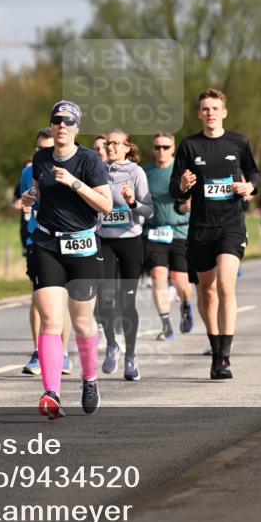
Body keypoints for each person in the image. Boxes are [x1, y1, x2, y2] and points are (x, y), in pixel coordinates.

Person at [20, 100, 112, 418]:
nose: (61, 126)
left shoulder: (90, 160)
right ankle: (52, 392)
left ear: (77, 128)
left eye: (68, 122)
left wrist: (75, 183)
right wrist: (31, 196)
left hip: (83, 249)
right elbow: (38, 189)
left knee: (83, 322)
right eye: (57, 120)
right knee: (51, 320)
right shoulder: (41, 158)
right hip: (47, 245)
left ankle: (89, 380)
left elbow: (106, 204)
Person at [169, 88, 260, 379]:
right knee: (206, 292)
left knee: (225, 285)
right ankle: (214, 345)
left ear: (224, 112)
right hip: (200, 229)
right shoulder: (189, 146)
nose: (210, 113)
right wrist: (183, 185)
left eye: (215, 108)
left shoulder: (238, 142)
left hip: (231, 226)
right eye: (205, 109)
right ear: (199, 113)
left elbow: (254, 174)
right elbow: (175, 188)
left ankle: (225, 358)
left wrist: (250, 187)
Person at [98, 130, 154, 380]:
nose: (110, 147)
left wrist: (132, 204)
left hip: (130, 241)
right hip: (105, 241)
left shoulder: (135, 173)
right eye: (108, 143)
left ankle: (131, 356)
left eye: (115, 143)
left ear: (127, 147)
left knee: (127, 302)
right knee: (105, 300)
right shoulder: (97, 171)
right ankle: (112, 344)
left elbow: (149, 210)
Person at [17, 129, 73, 377]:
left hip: (66, 239)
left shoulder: (69, 168)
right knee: (37, 298)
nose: (43, 153)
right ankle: (39, 351)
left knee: (63, 300)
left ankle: (63, 352)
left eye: (47, 148)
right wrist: (27, 200)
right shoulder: (28, 172)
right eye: (39, 148)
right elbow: (27, 203)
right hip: (37, 239)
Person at [144, 131, 193, 341]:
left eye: (165, 147)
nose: (161, 151)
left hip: (181, 231)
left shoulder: (183, 171)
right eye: (157, 147)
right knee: (157, 276)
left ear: (173, 149)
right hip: (155, 232)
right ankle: (166, 325)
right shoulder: (146, 172)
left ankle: (185, 305)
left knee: (181, 281)